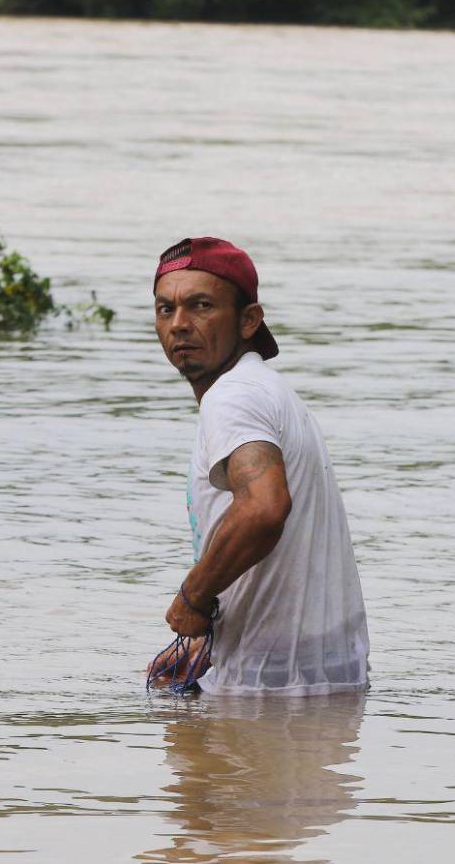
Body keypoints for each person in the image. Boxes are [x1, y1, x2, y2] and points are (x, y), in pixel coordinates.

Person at [150, 237, 369, 695]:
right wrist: (209, 643)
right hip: (323, 683)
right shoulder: (266, 390)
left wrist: (194, 596)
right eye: (165, 309)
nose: (180, 325)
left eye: (201, 305)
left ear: (249, 320)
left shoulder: (233, 397)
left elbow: (264, 509)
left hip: (267, 693)